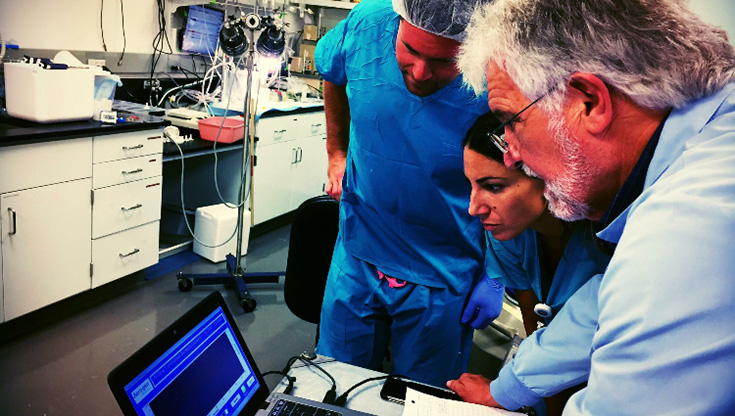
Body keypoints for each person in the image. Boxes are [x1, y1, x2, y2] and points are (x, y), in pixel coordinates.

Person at [448, 0, 735, 414]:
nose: (508, 154)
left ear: (590, 102)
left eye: (511, 121)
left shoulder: (685, 228)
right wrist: (504, 391)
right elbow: (603, 301)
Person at [313, 0, 497, 387]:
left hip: (442, 271)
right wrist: (336, 152)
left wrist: (498, 275)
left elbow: (520, 177)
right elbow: (334, 70)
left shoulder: (501, 62)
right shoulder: (367, 23)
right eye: (410, 50)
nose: (420, 72)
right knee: (333, 385)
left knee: (421, 399)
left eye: (445, 62)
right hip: (359, 251)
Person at [463, 112, 611, 416]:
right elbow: (537, 329)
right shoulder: (509, 234)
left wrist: (506, 391)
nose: (473, 208)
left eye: (493, 187)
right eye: (472, 186)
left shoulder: (607, 242)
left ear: (545, 175)